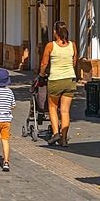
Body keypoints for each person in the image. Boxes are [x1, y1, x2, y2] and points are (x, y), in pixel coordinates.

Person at [39, 20, 77, 148]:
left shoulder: (51, 46)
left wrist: (42, 73)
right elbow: (74, 63)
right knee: (65, 111)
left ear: (55, 32)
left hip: (55, 80)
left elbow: (44, 63)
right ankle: (64, 139)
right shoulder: (72, 45)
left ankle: (56, 133)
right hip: (70, 80)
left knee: (52, 108)